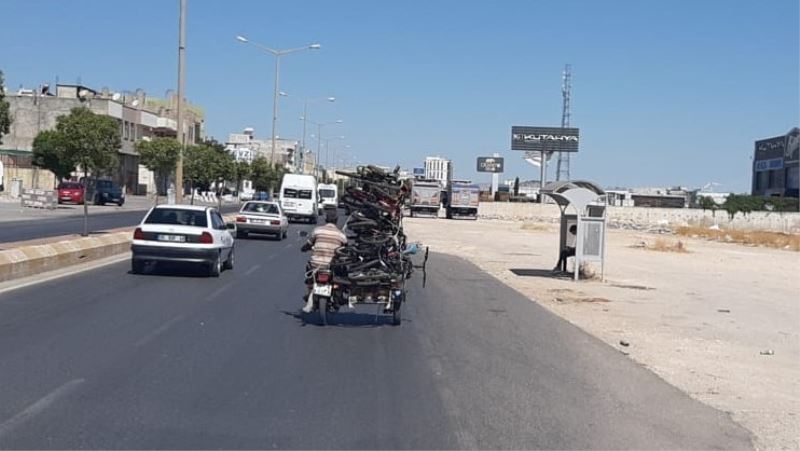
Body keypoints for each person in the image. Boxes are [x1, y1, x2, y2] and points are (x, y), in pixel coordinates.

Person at [300, 207, 347, 312]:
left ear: (325, 219)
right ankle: (340, 294)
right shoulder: (341, 234)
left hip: (315, 265)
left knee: (309, 273)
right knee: (342, 273)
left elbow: (308, 244)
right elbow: (345, 248)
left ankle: (310, 288)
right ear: (336, 220)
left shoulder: (317, 230)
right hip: (331, 266)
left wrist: (303, 248)